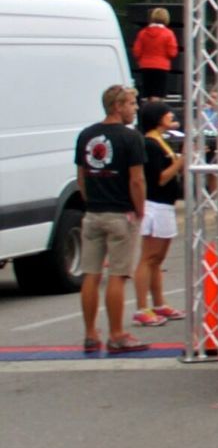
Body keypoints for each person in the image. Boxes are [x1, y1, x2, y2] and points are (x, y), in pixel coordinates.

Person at [74, 85, 150, 353]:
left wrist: (90, 199)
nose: (135, 108)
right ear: (117, 106)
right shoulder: (131, 138)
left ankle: (90, 333)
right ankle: (117, 333)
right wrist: (140, 210)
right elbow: (137, 180)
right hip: (120, 212)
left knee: (91, 274)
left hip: (93, 212)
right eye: (131, 103)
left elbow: (81, 177)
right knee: (118, 275)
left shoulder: (86, 135)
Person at [130, 100, 187, 328]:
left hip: (165, 204)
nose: (171, 116)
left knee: (158, 259)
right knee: (148, 257)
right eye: (166, 114)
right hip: (154, 203)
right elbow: (160, 177)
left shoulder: (161, 142)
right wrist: (181, 161)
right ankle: (142, 306)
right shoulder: (150, 144)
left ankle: (159, 302)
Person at [131, 8, 178, 101]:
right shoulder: (168, 34)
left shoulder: (143, 33)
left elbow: (136, 51)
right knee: (158, 94)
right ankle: (156, 113)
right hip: (161, 67)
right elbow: (172, 53)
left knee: (148, 94)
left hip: (145, 66)